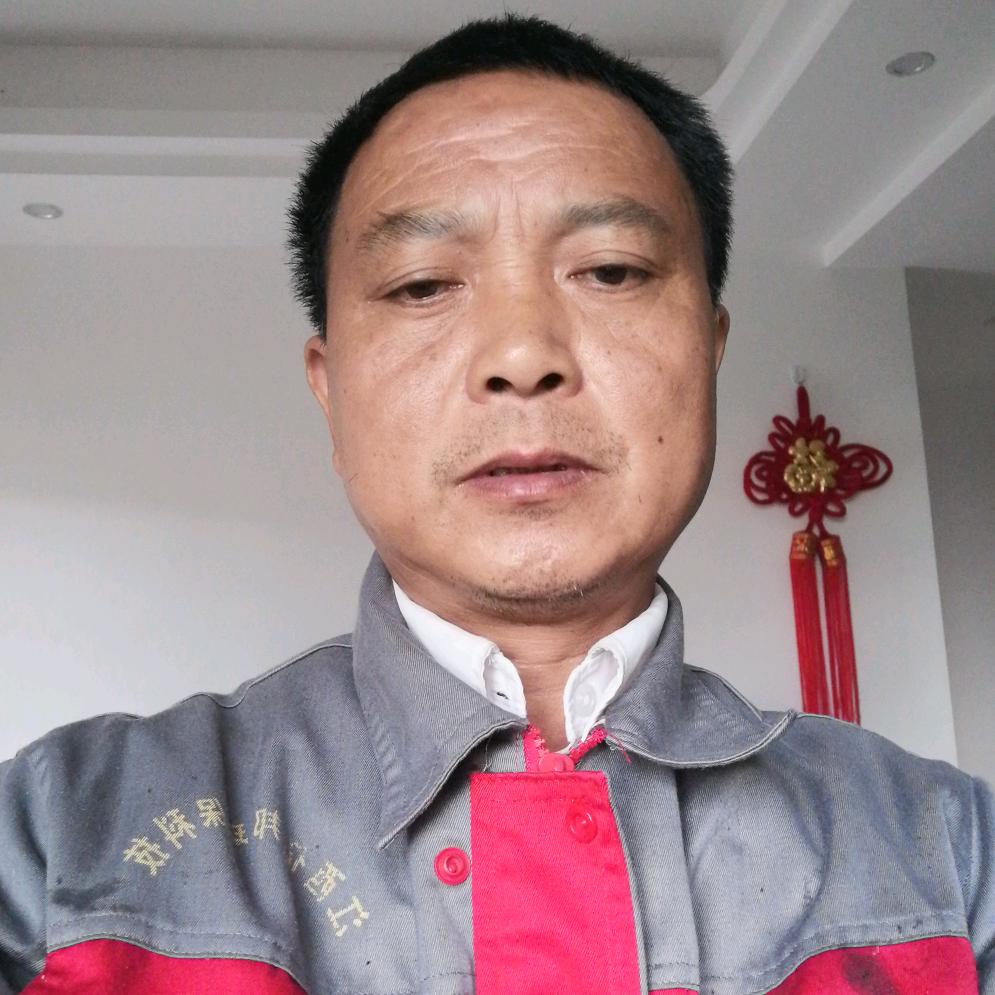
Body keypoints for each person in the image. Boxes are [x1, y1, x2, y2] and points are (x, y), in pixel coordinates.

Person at [1, 14, 991, 995]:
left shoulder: (948, 860)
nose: (522, 355)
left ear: (710, 349)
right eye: (422, 284)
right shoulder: (60, 847)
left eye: (610, 270)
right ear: (330, 390)